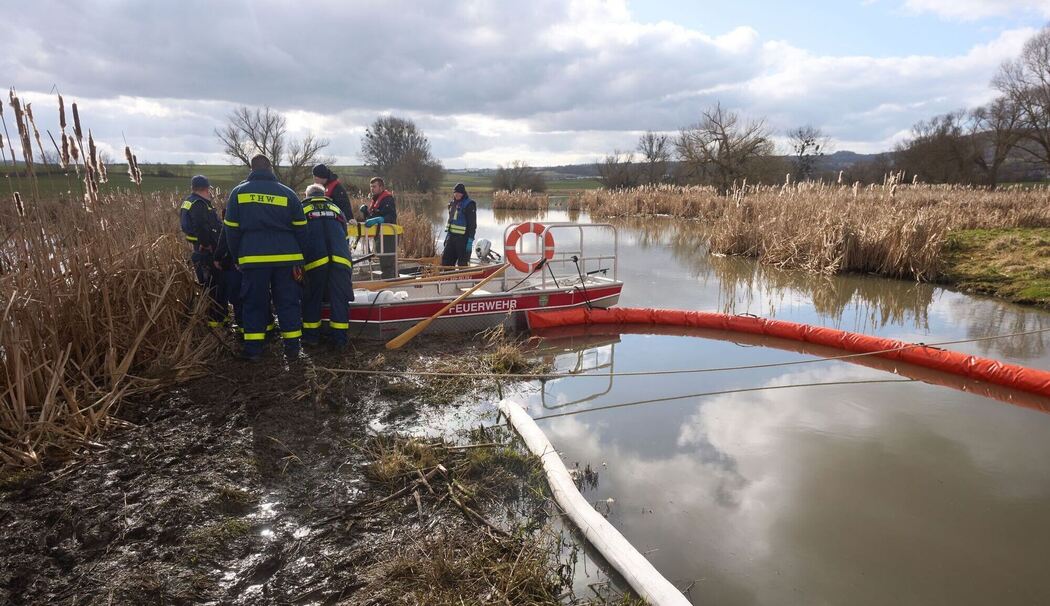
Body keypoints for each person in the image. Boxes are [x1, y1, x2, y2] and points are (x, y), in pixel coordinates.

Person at [222, 155, 309, 360]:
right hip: (287, 257)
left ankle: (254, 351)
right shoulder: (288, 193)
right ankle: (293, 349)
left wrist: (237, 257)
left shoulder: (238, 193)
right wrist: (300, 257)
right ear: (270, 168)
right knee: (288, 302)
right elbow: (302, 230)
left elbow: (231, 231)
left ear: (251, 169)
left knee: (254, 303)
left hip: (253, 258)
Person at [300, 184, 354, 348]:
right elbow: (344, 235)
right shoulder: (336, 209)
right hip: (341, 260)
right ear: (323, 194)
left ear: (307, 194)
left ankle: (311, 338)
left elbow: (298, 236)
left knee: (312, 298)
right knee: (340, 299)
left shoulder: (302, 209)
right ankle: (340, 340)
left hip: (315, 261)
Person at [179, 175, 227, 327]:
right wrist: (206, 244)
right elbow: (201, 225)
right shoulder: (200, 203)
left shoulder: (189, 201)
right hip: (205, 252)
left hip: (198, 250)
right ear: (206, 189)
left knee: (208, 286)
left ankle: (218, 319)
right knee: (214, 286)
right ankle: (217, 321)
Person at [361, 177, 398, 279]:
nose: (372, 189)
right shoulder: (376, 199)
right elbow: (372, 217)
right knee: (383, 258)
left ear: (381, 187)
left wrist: (380, 219)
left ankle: (389, 282)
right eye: (371, 187)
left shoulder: (387, 199)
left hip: (388, 235)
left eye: (374, 186)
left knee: (387, 260)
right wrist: (366, 212)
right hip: (380, 235)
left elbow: (391, 216)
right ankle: (391, 278)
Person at [441, 183, 477, 267]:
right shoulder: (451, 204)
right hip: (451, 237)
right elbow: (451, 222)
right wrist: (447, 238)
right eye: (455, 192)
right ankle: (447, 278)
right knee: (446, 261)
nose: (457, 194)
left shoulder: (469, 205)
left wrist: (470, 240)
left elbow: (472, 224)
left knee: (462, 263)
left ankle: (463, 279)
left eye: (459, 193)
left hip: (463, 239)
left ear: (463, 193)